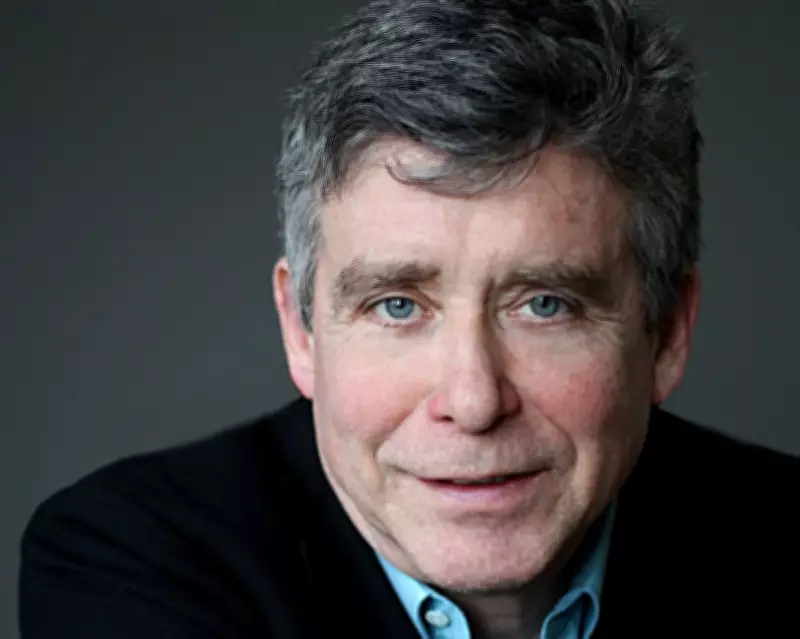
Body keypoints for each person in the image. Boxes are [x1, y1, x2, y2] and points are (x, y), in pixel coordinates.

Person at [18, 0, 799, 637]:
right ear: (301, 328)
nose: (474, 399)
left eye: (545, 304)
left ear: (667, 333)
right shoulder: (128, 561)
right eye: (397, 305)